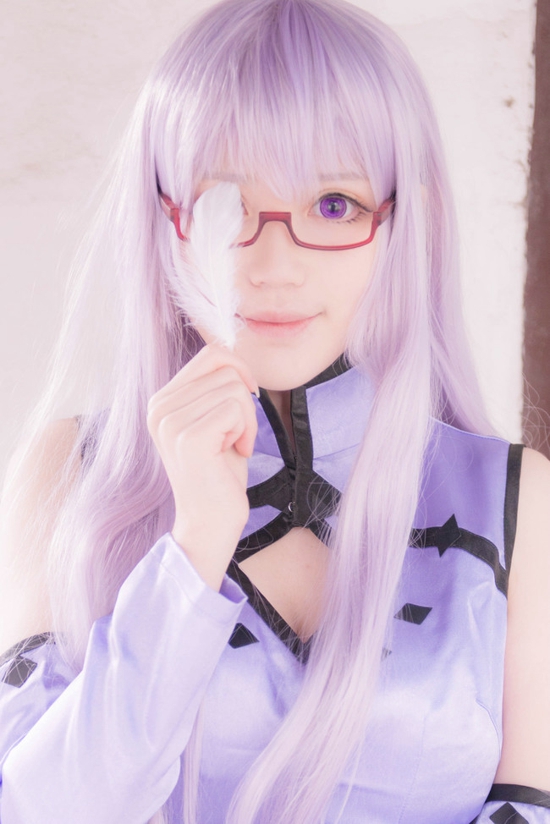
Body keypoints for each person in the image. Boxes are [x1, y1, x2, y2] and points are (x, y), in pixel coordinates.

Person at [0, 0, 549, 821]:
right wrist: (193, 549)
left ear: (411, 222)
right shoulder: (73, 473)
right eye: (226, 203)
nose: (274, 266)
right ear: (166, 220)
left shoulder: (513, 500)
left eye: (334, 204)